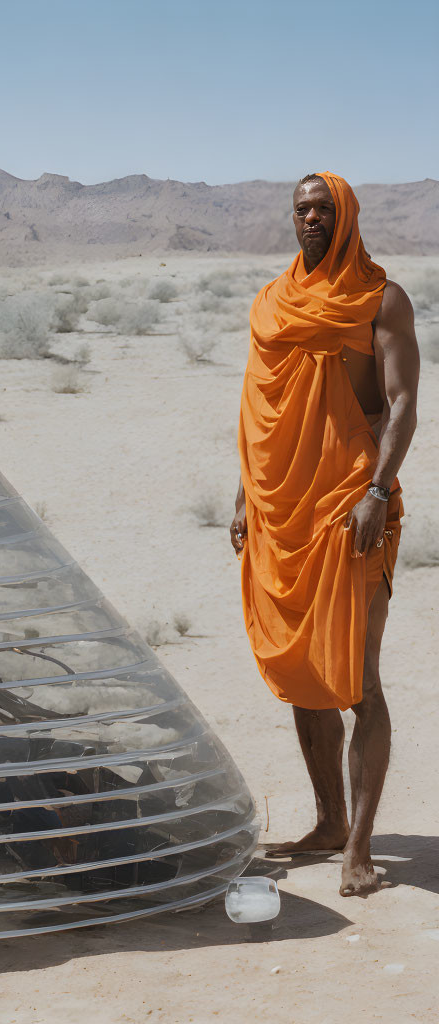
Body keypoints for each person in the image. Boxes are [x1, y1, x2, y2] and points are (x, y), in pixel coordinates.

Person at [230, 172, 419, 897]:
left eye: (324, 209)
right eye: (303, 209)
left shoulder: (380, 300)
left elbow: (402, 404)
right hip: (283, 509)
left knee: (359, 679)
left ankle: (361, 849)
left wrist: (378, 490)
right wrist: (245, 492)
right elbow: (260, 409)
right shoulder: (273, 302)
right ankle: (330, 821)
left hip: (351, 508)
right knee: (308, 675)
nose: (311, 218)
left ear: (346, 217)